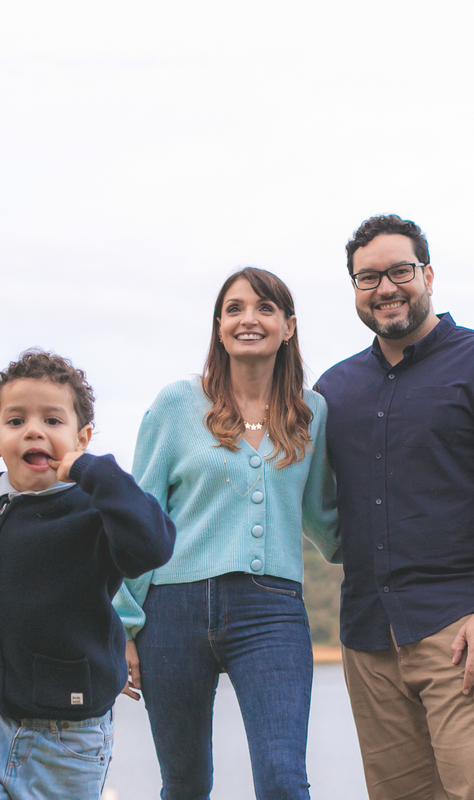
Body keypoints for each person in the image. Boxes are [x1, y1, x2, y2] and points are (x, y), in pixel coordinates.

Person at [314, 215, 474, 800]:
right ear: (354, 288)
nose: (385, 288)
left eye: (399, 271)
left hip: (467, 623)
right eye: (368, 278)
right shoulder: (334, 390)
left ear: (427, 275)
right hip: (370, 633)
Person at [113, 267, 339, 800]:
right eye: (234, 309)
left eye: (264, 308)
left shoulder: (312, 412)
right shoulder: (176, 404)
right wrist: (121, 626)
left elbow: (323, 519)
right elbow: (139, 519)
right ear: (219, 327)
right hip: (171, 613)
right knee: (185, 785)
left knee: (283, 781)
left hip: (272, 612)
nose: (248, 319)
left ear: (288, 326)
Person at [0, 348, 176, 800]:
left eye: (52, 420)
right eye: (16, 421)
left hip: (69, 740)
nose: (33, 430)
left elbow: (154, 543)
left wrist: (96, 473)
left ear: (82, 437)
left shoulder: (95, 511)